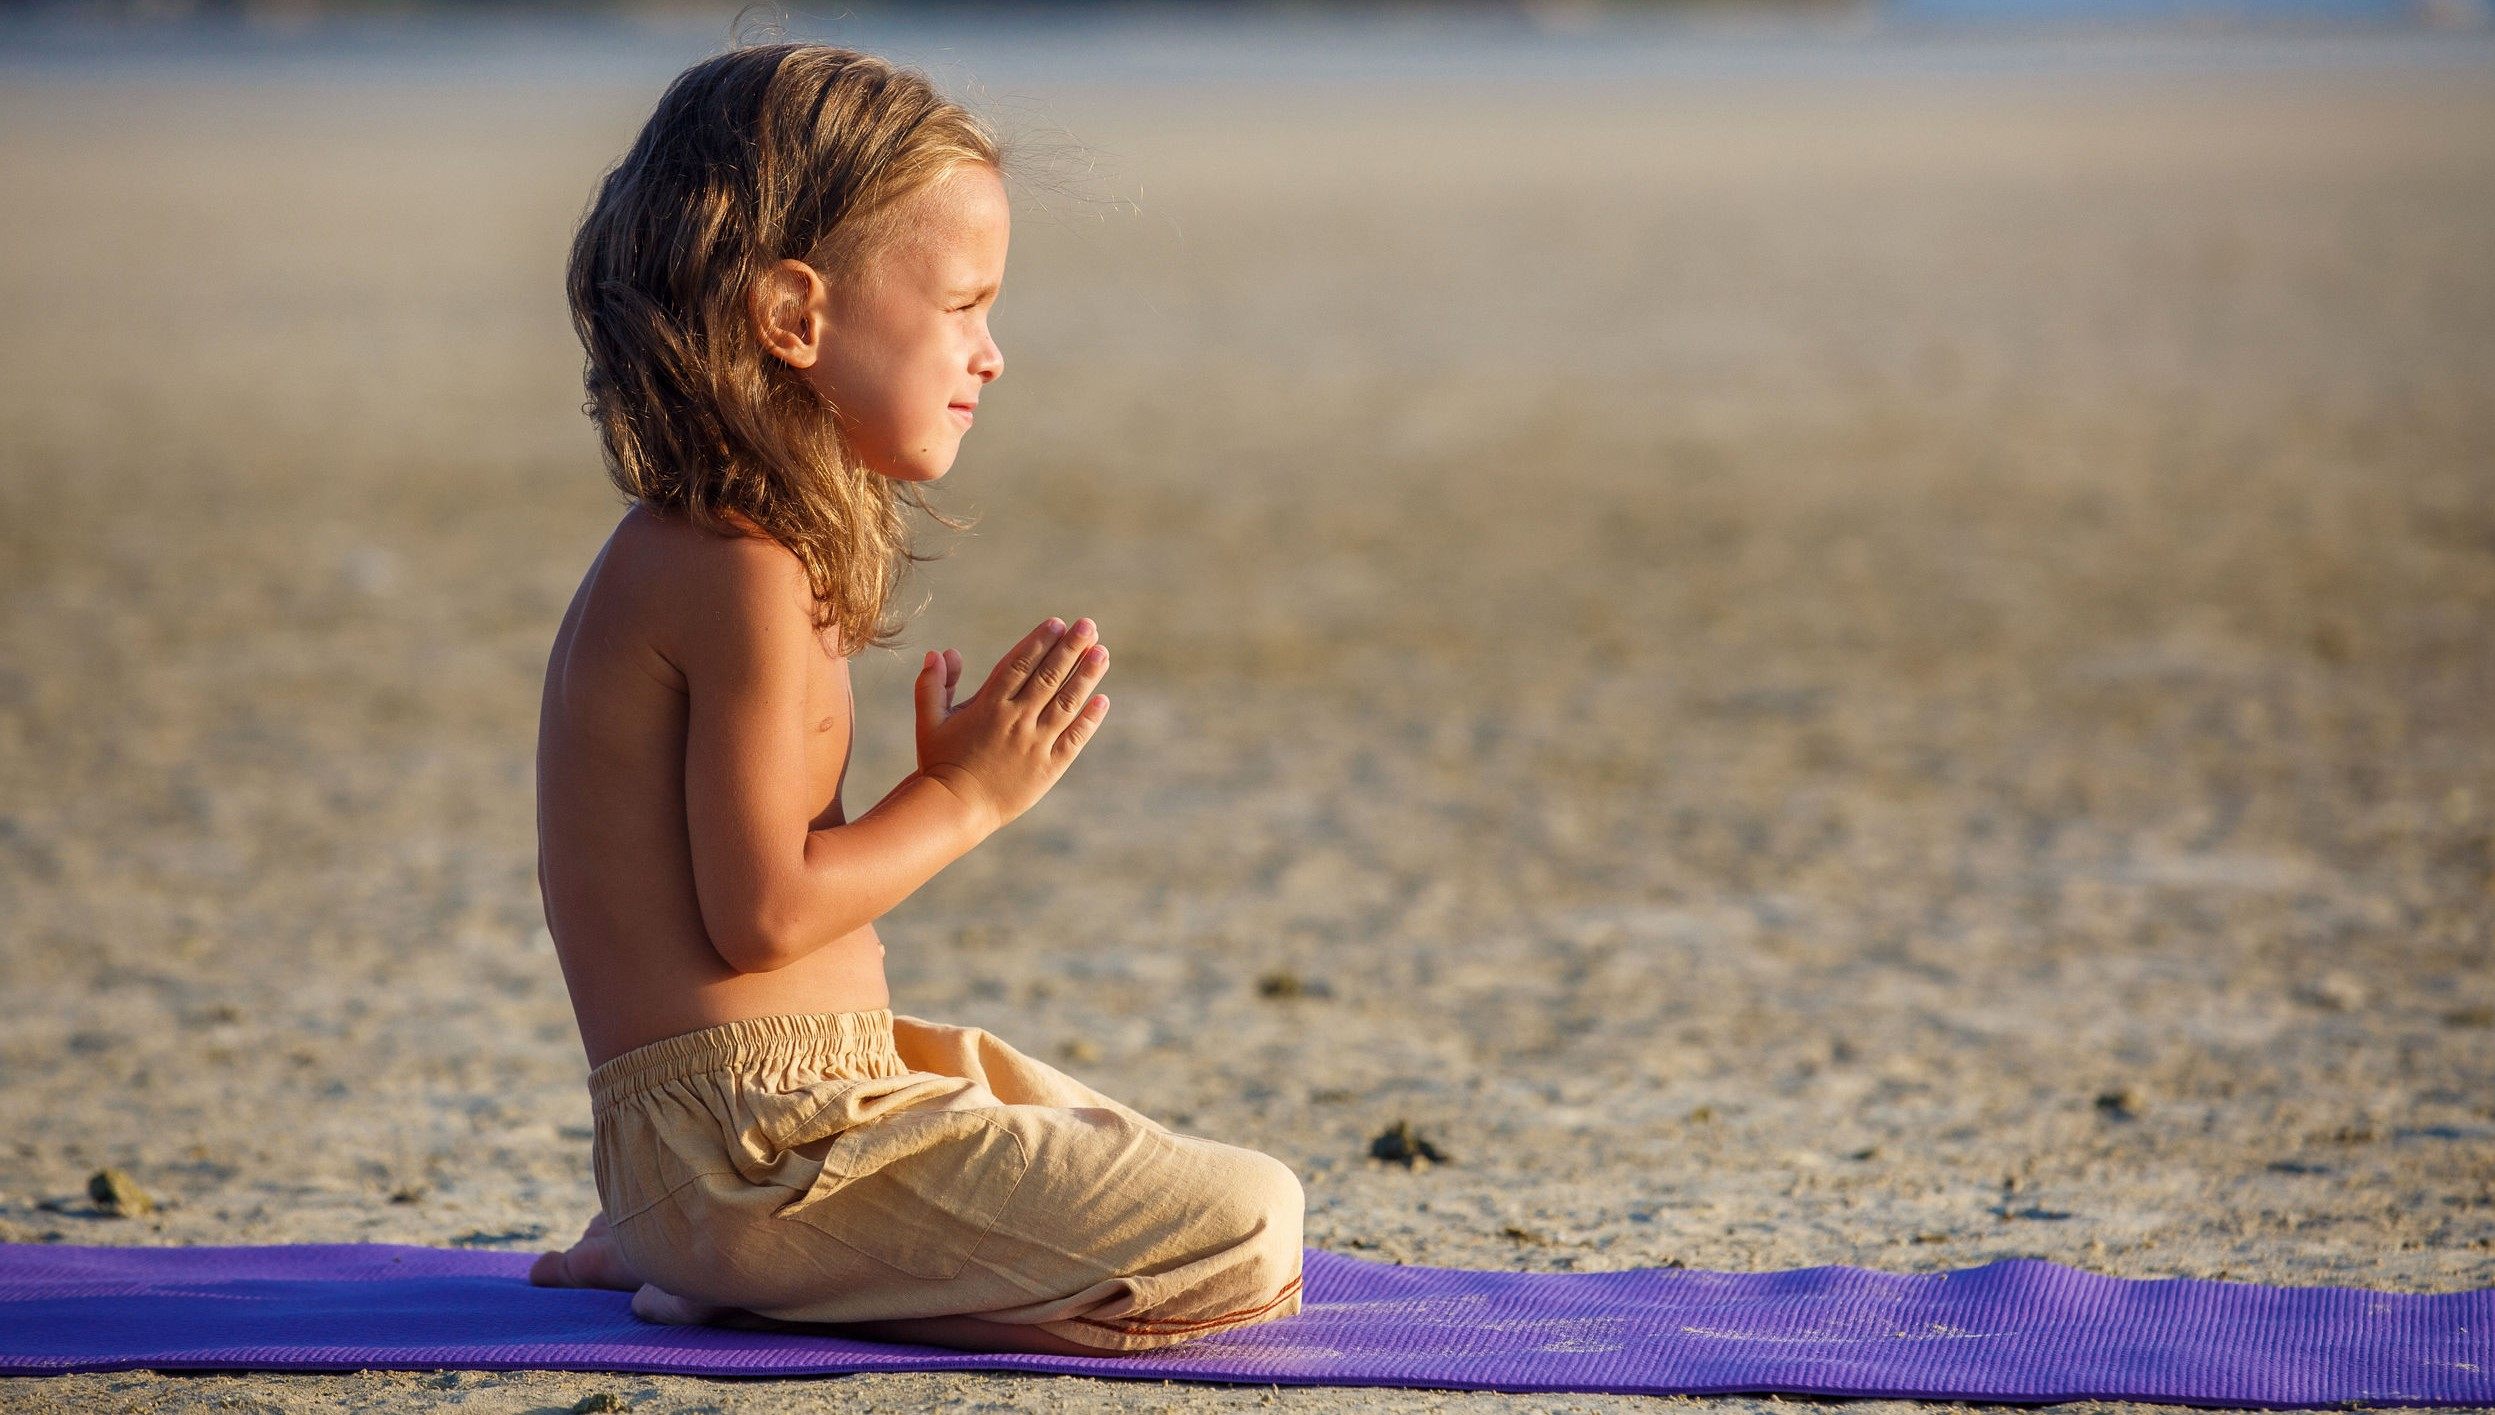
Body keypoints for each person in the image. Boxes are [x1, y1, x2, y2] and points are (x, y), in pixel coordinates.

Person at [523, 41, 1304, 1355]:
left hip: (759, 1124)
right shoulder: (742, 571)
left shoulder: (709, 551)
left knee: (1059, 1118)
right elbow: (761, 913)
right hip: (759, 1149)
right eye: (961, 306)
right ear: (794, 319)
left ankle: (690, 1241)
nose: (990, 355)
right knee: (1249, 1227)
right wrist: (962, 797)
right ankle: (742, 1266)